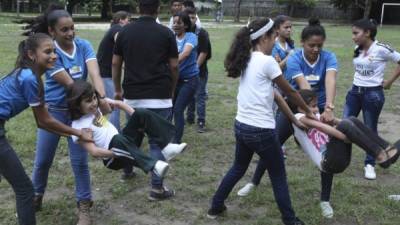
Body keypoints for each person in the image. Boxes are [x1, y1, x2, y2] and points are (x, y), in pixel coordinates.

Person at [207, 18, 316, 225]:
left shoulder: (247, 58)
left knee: (238, 168)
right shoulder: (267, 62)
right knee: (278, 175)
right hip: (261, 131)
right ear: (264, 37)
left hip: (241, 126)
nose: (276, 40)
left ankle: (215, 206)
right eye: (274, 36)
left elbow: (275, 96)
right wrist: (309, 111)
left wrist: (294, 119)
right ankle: (290, 220)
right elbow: (290, 91)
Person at [237, 19, 338, 214]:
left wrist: (329, 108)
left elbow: (330, 80)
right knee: (272, 146)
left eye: (319, 45)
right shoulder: (294, 59)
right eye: (311, 45)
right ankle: (253, 182)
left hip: (319, 110)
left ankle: (325, 200)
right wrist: (311, 112)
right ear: (302, 43)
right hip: (293, 110)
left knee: (326, 153)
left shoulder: (329, 57)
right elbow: (302, 87)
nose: (316, 49)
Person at [24, 6, 111, 225]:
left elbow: (94, 73)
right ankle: (36, 196)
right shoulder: (50, 52)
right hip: (54, 113)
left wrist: (101, 97)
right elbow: (72, 86)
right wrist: (95, 102)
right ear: (52, 32)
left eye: (72, 28)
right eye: (64, 30)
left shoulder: (84, 46)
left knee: (79, 162)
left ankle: (84, 206)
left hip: (79, 113)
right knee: (43, 160)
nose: (71, 33)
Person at [0, 33, 92, 225]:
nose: (54, 56)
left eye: (54, 52)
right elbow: (44, 122)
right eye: (48, 52)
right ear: (32, 54)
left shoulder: (29, 75)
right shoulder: (29, 79)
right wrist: (77, 132)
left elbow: (42, 118)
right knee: (25, 190)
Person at [287, 89, 400, 217]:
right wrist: (347, 137)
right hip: (328, 162)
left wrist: (338, 122)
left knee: (351, 119)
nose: (316, 109)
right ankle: (380, 155)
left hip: (338, 157)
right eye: (312, 107)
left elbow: (339, 123)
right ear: (300, 108)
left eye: (316, 106)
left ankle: (387, 148)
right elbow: (322, 127)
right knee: (346, 125)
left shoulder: (314, 115)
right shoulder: (298, 117)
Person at [112, 0, 179, 201]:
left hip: (133, 95)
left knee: (132, 135)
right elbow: (174, 66)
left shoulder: (125, 32)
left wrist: (117, 89)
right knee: (157, 142)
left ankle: (127, 170)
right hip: (160, 95)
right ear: (158, 9)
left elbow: (115, 63)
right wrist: (172, 89)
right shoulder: (166, 33)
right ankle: (157, 188)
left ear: (138, 9)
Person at [66, 80, 187, 178]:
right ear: (76, 104)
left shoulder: (95, 109)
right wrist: (116, 154)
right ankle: (153, 166)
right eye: (88, 101)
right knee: (118, 140)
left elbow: (117, 106)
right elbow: (94, 152)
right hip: (113, 159)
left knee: (141, 113)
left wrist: (132, 113)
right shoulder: (79, 126)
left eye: (94, 98)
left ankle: (166, 147)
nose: (93, 103)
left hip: (123, 141)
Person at [343, 18, 400, 180]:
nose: (353, 37)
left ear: (367, 33)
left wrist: (389, 81)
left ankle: (370, 163)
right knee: (345, 125)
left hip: (373, 95)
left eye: (356, 33)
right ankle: (341, 158)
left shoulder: (382, 49)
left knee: (369, 129)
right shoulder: (357, 48)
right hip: (354, 92)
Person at [96, 11, 135, 180]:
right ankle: (114, 139)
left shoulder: (114, 29)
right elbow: (121, 42)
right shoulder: (116, 29)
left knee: (115, 106)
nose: (129, 23)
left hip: (106, 73)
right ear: (120, 20)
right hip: (106, 75)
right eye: (129, 20)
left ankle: (112, 136)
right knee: (115, 107)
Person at [172, 11, 200, 143]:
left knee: (178, 109)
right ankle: (167, 137)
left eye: (179, 23)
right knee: (169, 109)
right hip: (174, 80)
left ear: (186, 25)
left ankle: (176, 141)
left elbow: (186, 53)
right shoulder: (170, 37)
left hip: (190, 80)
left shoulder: (191, 37)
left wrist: (169, 64)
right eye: (174, 22)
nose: (175, 25)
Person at [185, 7, 212, 132]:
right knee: (190, 96)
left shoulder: (201, 33)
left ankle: (201, 121)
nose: (191, 20)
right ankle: (190, 118)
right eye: (189, 17)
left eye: (193, 17)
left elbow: (204, 52)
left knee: (200, 96)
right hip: (185, 71)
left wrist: (194, 68)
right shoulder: (182, 32)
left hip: (199, 71)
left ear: (196, 18)